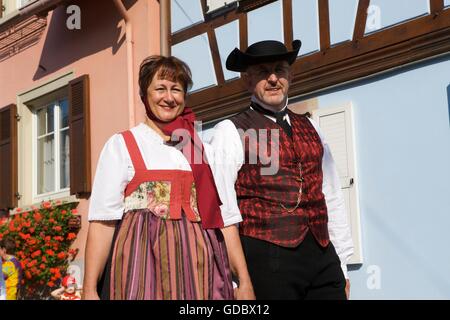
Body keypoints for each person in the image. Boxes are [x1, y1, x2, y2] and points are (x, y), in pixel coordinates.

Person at [82, 55, 252, 300]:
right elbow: (102, 222)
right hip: (142, 266)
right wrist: (89, 290)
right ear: (145, 94)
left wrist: (244, 282)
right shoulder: (123, 145)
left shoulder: (204, 151)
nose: (169, 97)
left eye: (177, 89)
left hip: (200, 268)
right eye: (160, 88)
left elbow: (225, 220)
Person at [209, 40, 354, 300]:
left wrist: (342, 263)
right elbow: (223, 209)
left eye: (280, 70)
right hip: (266, 259)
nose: (273, 78)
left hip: (322, 256)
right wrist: (238, 280)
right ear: (248, 80)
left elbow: (331, 196)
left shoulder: (312, 128)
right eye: (263, 72)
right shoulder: (230, 131)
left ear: (291, 75)